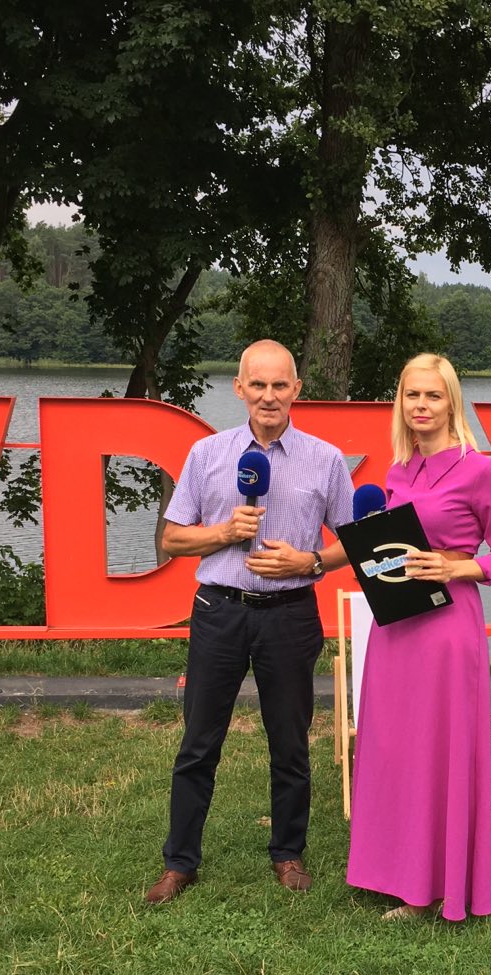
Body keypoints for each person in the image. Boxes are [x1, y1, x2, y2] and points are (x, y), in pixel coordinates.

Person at [145, 340, 354, 904]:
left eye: (279, 385)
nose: (268, 396)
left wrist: (309, 562)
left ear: (296, 390)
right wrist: (223, 533)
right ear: (239, 388)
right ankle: (179, 862)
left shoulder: (326, 459)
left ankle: (288, 853)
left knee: (290, 742)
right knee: (198, 742)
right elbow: (172, 539)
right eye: (257, 385)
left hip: (290, 615)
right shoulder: (206, 454)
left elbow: (357, 541)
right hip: (219, 612)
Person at [346, 353, 491, 921]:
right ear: (400, 402)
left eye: (432, 396)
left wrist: (455, 567)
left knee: (435, 750)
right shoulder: (399, 471)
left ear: (451, 403)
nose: (420, 406)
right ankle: (394, 870)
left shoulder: (478, 470)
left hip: (447, 629)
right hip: (396, 625)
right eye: (411, 395)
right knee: (393, 746)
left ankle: (433, 887)